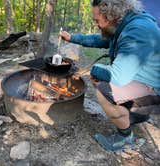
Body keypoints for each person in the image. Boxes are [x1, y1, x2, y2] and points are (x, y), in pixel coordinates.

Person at [60, 0, 160, 151]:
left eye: (97, 20)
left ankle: (125, 138)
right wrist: (72, 38)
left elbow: (118, 77)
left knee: (103, 88)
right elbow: (99, 39)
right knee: (104, 81)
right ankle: (138, 116)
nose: (96, 24)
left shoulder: (138, 30)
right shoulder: (124, 24)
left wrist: (93, 70)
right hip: (146, 86)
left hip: (154, 97)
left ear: (110, 16)